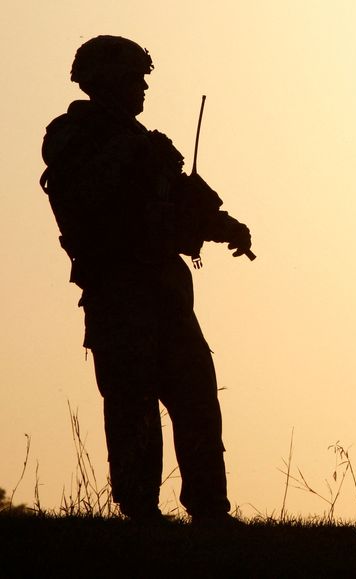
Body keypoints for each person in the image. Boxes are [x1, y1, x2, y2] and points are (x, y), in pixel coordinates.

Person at [40, 35, 253, 523]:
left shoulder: (147, 145)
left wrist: (224, 226)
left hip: (166, 289)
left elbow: (181, 205)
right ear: (107, 81)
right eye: (134, 78)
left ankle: (209, 510)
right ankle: (140, 510)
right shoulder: (73, 135)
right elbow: (93, 199)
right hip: (117, 288)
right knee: (132, 401)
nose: (142, 88)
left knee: (196, 396)